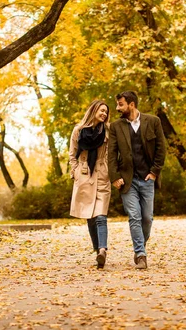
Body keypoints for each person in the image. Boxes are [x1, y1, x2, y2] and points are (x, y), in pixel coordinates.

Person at [108, 91, 166, 270]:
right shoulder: (116, 126)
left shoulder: (153, 121)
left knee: (147, 218)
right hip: (127, 180)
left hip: (147, 178)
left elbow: (161, 149)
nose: (118, 108)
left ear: (131, 104)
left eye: (121, 104)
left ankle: (140, 245)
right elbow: (111, 154)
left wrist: (154, 172)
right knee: (135, 216)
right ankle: (141, 254)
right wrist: (115, 177)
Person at [69, 99, 111, 269]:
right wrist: (76, 172)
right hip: (85, 173)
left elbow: (110, 154)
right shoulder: (78, 131)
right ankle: (97, 250)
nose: (104, 114)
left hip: (102, 173)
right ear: (93, 110)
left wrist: (110, 171)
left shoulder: (107, 132)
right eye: (101, 110)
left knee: (101, 216)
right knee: (90, 216)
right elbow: (72, 154)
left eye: (106, 112)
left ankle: (102, 250)